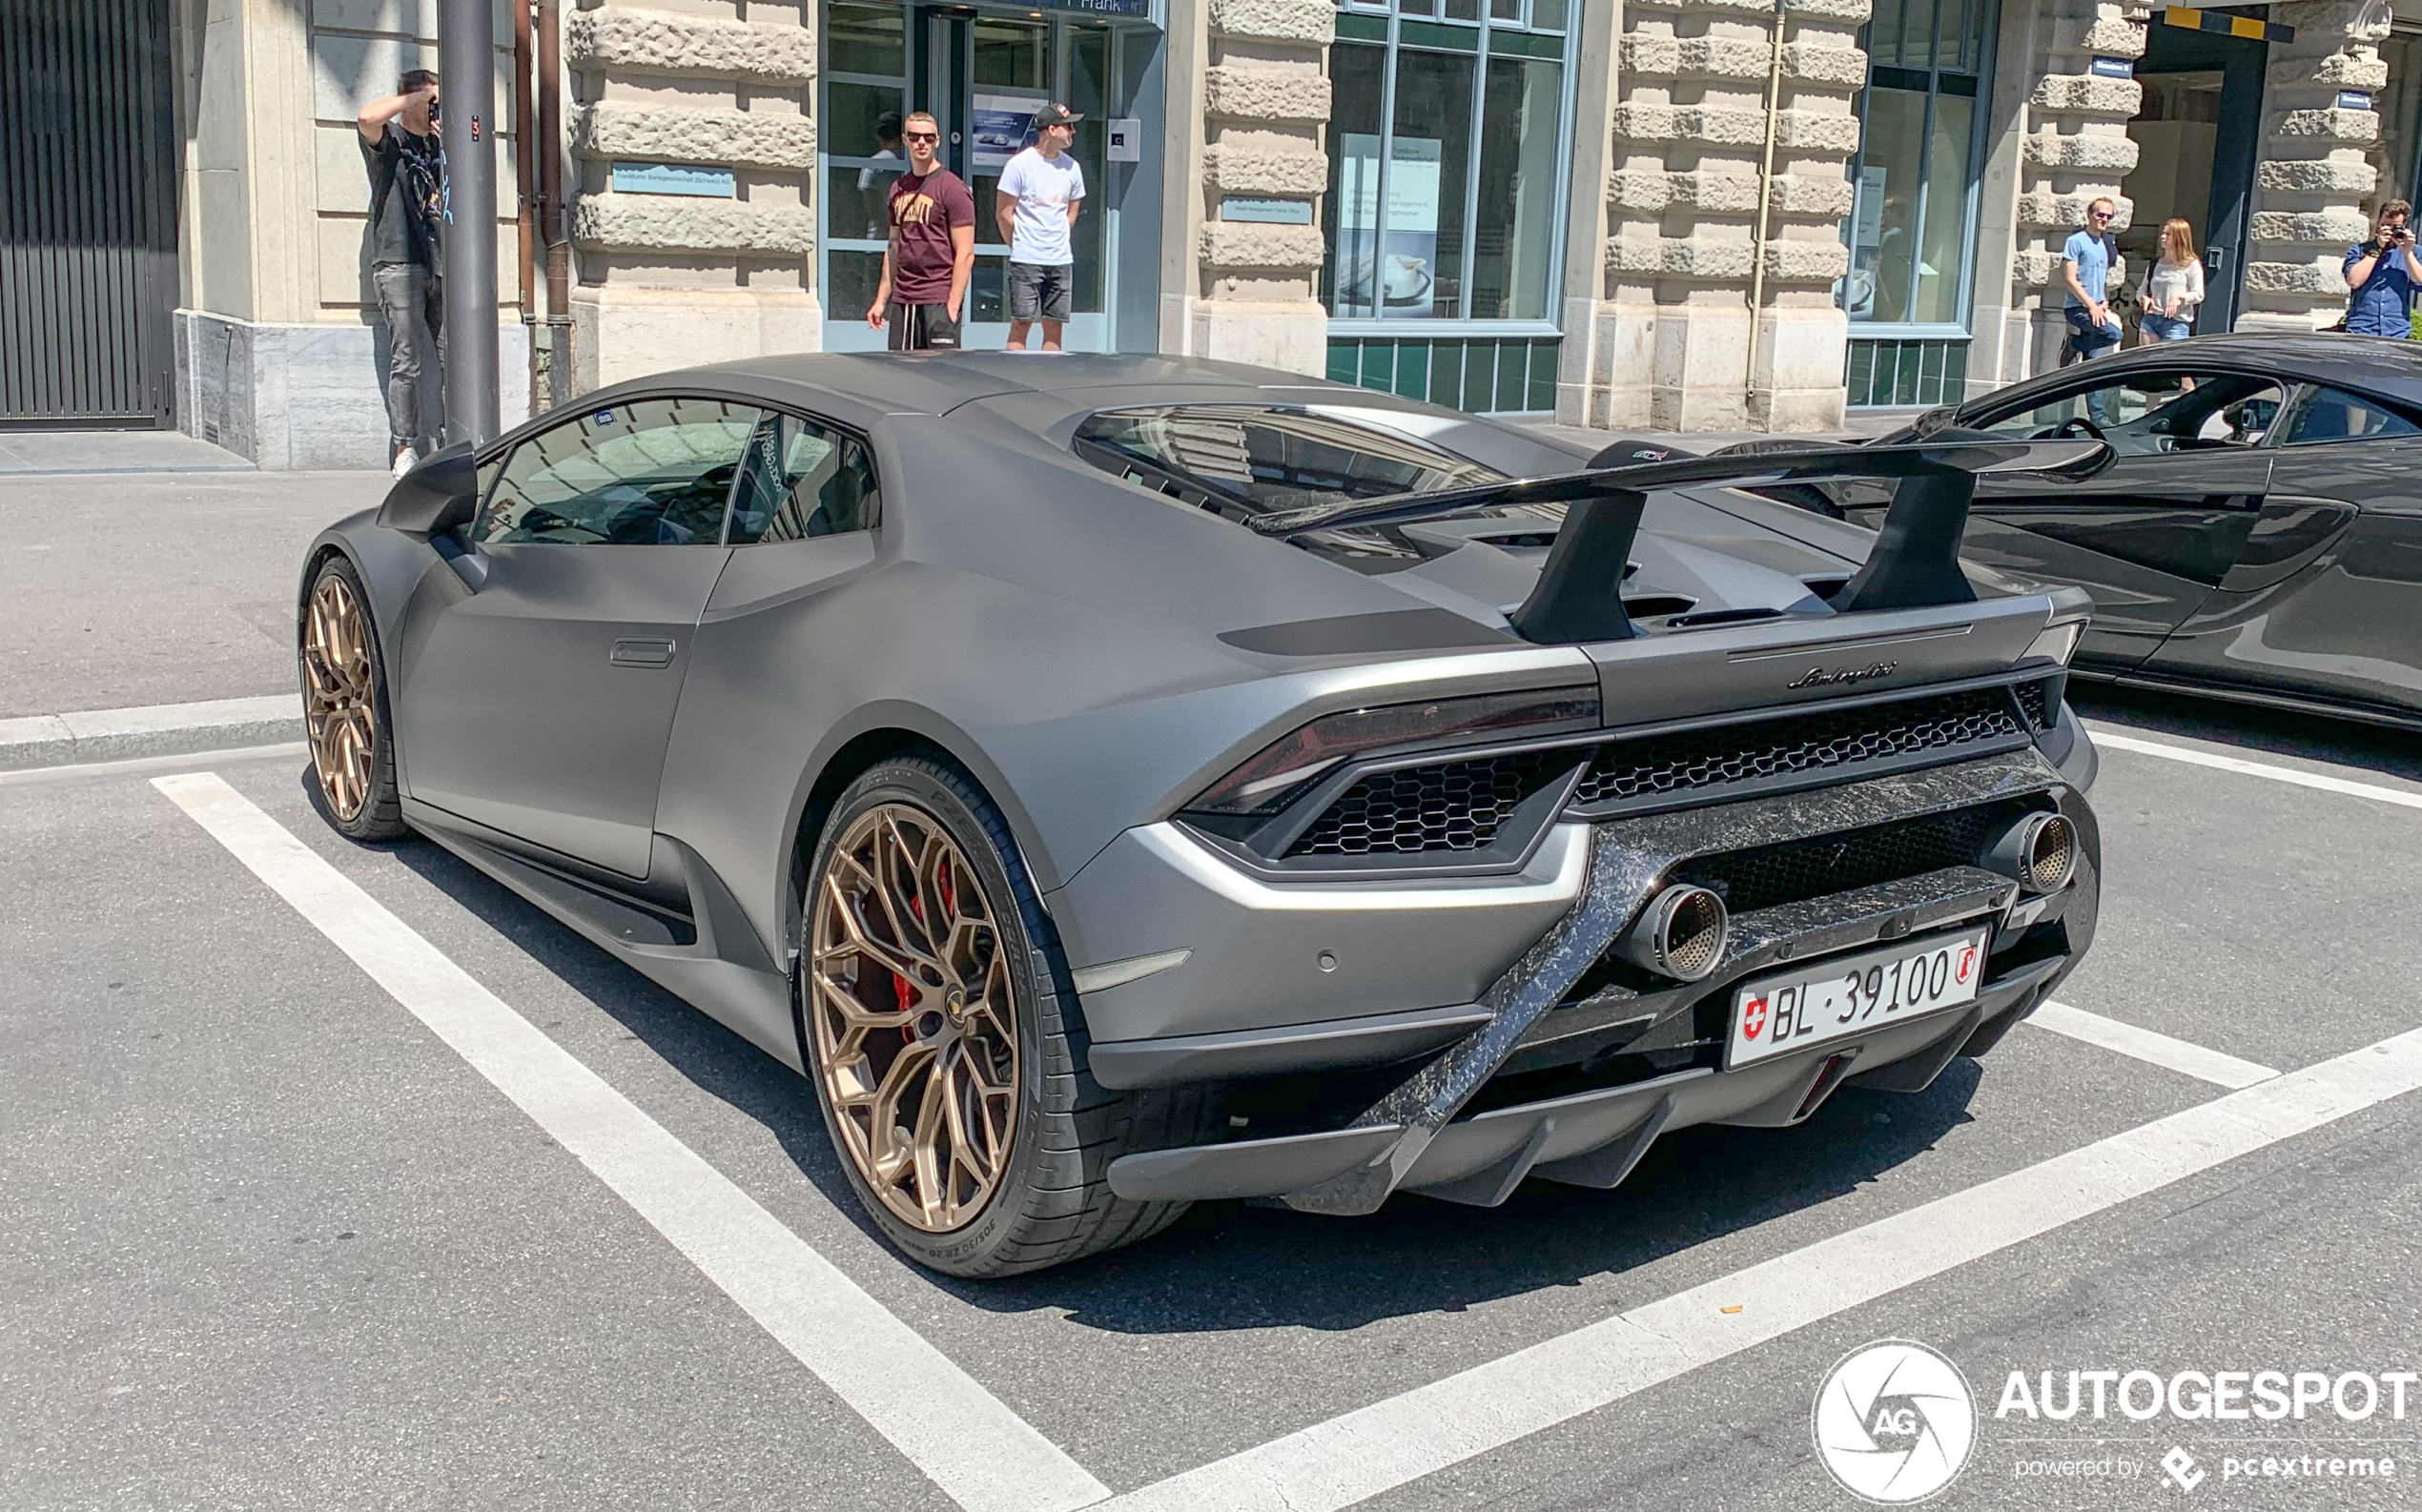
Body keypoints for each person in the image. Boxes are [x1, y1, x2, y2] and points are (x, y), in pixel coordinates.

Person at [358, 69, 446, 478]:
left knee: (454, 358)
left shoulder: (442, 143)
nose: (435, 109)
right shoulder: (390, 140)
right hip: (399, 263)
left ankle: (452, 439)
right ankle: (405, 447)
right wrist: (415, 99)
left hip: (442, 263)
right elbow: (365, 118)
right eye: (431, 101)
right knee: (406, 362)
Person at [866, 111, 975, 351]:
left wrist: (953, 307)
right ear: (905, 140)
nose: (921, 142)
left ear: (937, 140)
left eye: (928, 137)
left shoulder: (953, 188)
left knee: (941, 376)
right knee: (901, 375)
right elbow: (893, 246)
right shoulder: (898, 188)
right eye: (914, 137)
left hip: (938, 297)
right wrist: (881, 300)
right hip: (904, 299)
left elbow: (965, 252)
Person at [995, 103, 1086, 352]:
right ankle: (1016, 378)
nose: (1073, 132)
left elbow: (1072, 210)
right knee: (1021, 323)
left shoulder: (1072, 167)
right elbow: (1004, 214)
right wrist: (1020, 243)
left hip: (1060, 259)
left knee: (1054, 326)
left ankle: (1049, 379)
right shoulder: (1019, 165)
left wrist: (1058, 235)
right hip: (1026, 259)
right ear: (1052, 129)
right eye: (1069, 127)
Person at [2344, 199, 2422, 337]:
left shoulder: (2414, 252)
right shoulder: (2360, 250)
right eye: (2384, 225)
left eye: (2394, 227)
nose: (2389, 231)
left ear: (2404, 226)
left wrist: (2407, 253)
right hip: (2361, 328)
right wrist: (2376, 249)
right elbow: (2354, 281)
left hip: (2397, 331)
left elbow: (2419, 281)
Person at [2138, 217, 2205, 344]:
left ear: (2179, 237)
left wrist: (2179, 298)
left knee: (2169, 363)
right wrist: (2144, 299)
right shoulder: (2155, 264)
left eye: (2168, 234)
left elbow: (2199, 294)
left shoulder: (2191, 264)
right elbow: (2141, 291)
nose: (2163, 237)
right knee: (2146, 361)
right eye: (2163, 233)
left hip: (2176, 323)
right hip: (2150, 320)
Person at [857, 112, 904, 238]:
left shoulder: (873, 163)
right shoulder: (912, 162)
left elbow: (871, 207)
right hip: (906, 239)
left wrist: (888, 230)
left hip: (879, 238)